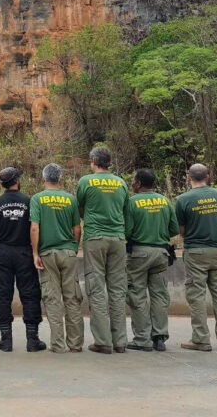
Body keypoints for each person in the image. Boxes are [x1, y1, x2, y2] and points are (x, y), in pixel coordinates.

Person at [176, 163, 217, 352]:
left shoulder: (183, 199)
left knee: (196, 295)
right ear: (208, 176)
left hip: (195, 252)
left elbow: (181, 229)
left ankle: (201, 338)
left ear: (188, 177)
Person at [77, 146, 129, 354]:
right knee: (117, 289)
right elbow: (125, 210)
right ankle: (120, 341)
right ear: (110, 163)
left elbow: (79, 208)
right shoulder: (121, 183)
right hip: (118, 238)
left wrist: (90, 218)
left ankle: (103, 341)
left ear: (93, 162)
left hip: (95, 238)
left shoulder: (86, 182)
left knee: (97, 288)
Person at [0, 167, 45, 352]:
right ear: (17, 181)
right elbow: (35, 227)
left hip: (3, 251)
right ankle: (32, 339)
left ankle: (6, 339)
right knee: (30, 293)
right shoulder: (29, 202)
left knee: (2, 294)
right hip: (24, 251)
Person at [30, 163, 84, 353]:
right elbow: (77, 228)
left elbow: (35, 227)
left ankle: (58, 344)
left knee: (52, 299)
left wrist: (35, 253)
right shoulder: (70, 199)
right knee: (72, 299)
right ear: (61, 180)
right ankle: (76, 344)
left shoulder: (37, 199)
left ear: (43, 179)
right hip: (68, 252)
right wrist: (73, 248)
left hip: (47, 254)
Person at [125, 168, 179, 352]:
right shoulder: (165, 201)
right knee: (159, 295)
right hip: (161, 254)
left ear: (138, 184)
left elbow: (127, 231)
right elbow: (174, 229)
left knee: (137, 295)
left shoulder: (132, 202)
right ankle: (159, 336)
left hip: (139, 253)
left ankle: (142, 339)